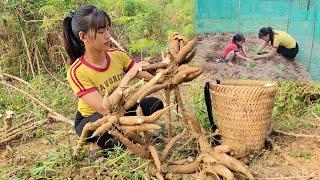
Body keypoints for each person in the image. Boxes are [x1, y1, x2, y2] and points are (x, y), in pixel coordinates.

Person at [62, 5, 163, 161]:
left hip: (121, 110)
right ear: (83, 37)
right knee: (109, 125)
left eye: (108, 30)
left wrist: (168, 67)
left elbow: (149, 75)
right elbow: (104, 108)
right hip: (94, 120)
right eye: (101, 32)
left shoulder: (117, 55)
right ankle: (96, 144)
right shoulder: (77, 72)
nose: (108, 36)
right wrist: (128, 77)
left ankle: (120, 138)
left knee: (155, 105)